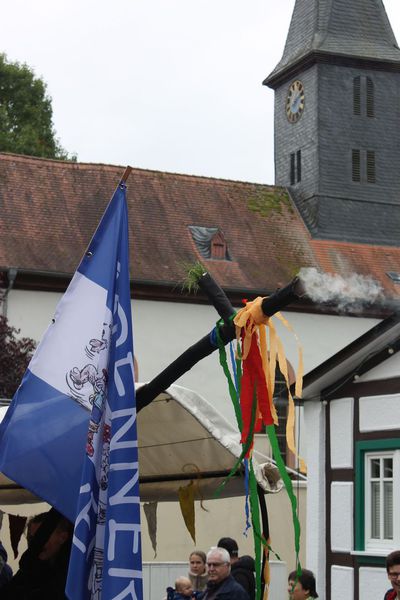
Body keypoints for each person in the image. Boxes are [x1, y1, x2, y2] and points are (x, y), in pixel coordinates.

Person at [2, 512, 73, 599]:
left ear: (63, 537)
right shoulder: (30, 567)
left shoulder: (72, 575)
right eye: (33, 538)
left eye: (42, 537)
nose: (37, 544)